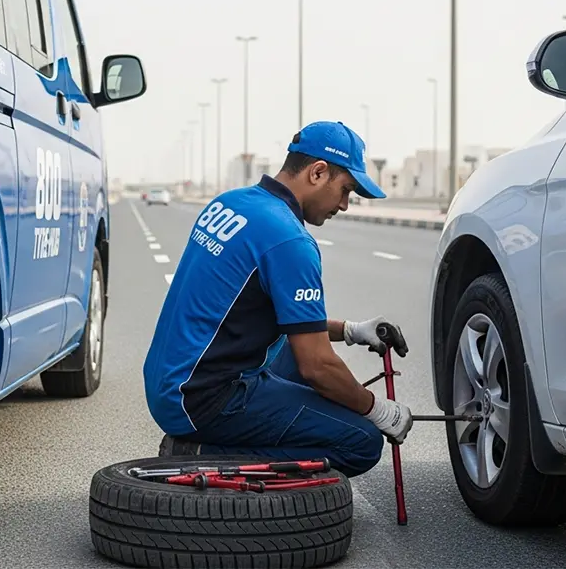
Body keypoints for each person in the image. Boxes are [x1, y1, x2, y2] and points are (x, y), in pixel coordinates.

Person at [142, 120, 413, 477]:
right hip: (204, 399)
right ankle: (200, 451)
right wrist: (378, 411)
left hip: (169, 381)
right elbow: (317, 366)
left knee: (304, 366)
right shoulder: (290, 241)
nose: (345, 205)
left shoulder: (232, 203)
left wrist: (351, 330)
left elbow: (262, 316)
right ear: (318, 172)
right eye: (346, 189)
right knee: (360, 441)